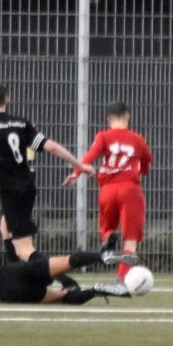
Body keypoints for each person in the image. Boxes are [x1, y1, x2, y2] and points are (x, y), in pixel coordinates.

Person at [0, 82, 95, 289]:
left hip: (11, 191)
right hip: (27, 187)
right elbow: (51, 147)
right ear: (8, 98)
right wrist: (79, 165)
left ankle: (67, 282)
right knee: (5, 226)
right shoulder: (21, 124)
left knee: (24, 249)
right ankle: (15, 274)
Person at [65, 100, 153, 293]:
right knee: (130, 239)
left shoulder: (103, 136)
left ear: (109, 119)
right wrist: (142, 170)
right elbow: (147, 160)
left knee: (106, 226)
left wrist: (76, 173)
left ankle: (108, 239)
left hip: (108, 189)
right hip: (130, 189)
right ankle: (121, 280)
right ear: (128, 117)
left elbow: (90, 156)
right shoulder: (137, 139)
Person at [0, 233, 136, 305]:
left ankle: (97, 290)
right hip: (17, 271)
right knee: (69, 261)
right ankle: (103, 256)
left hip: (11, 292)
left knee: (63, 297)